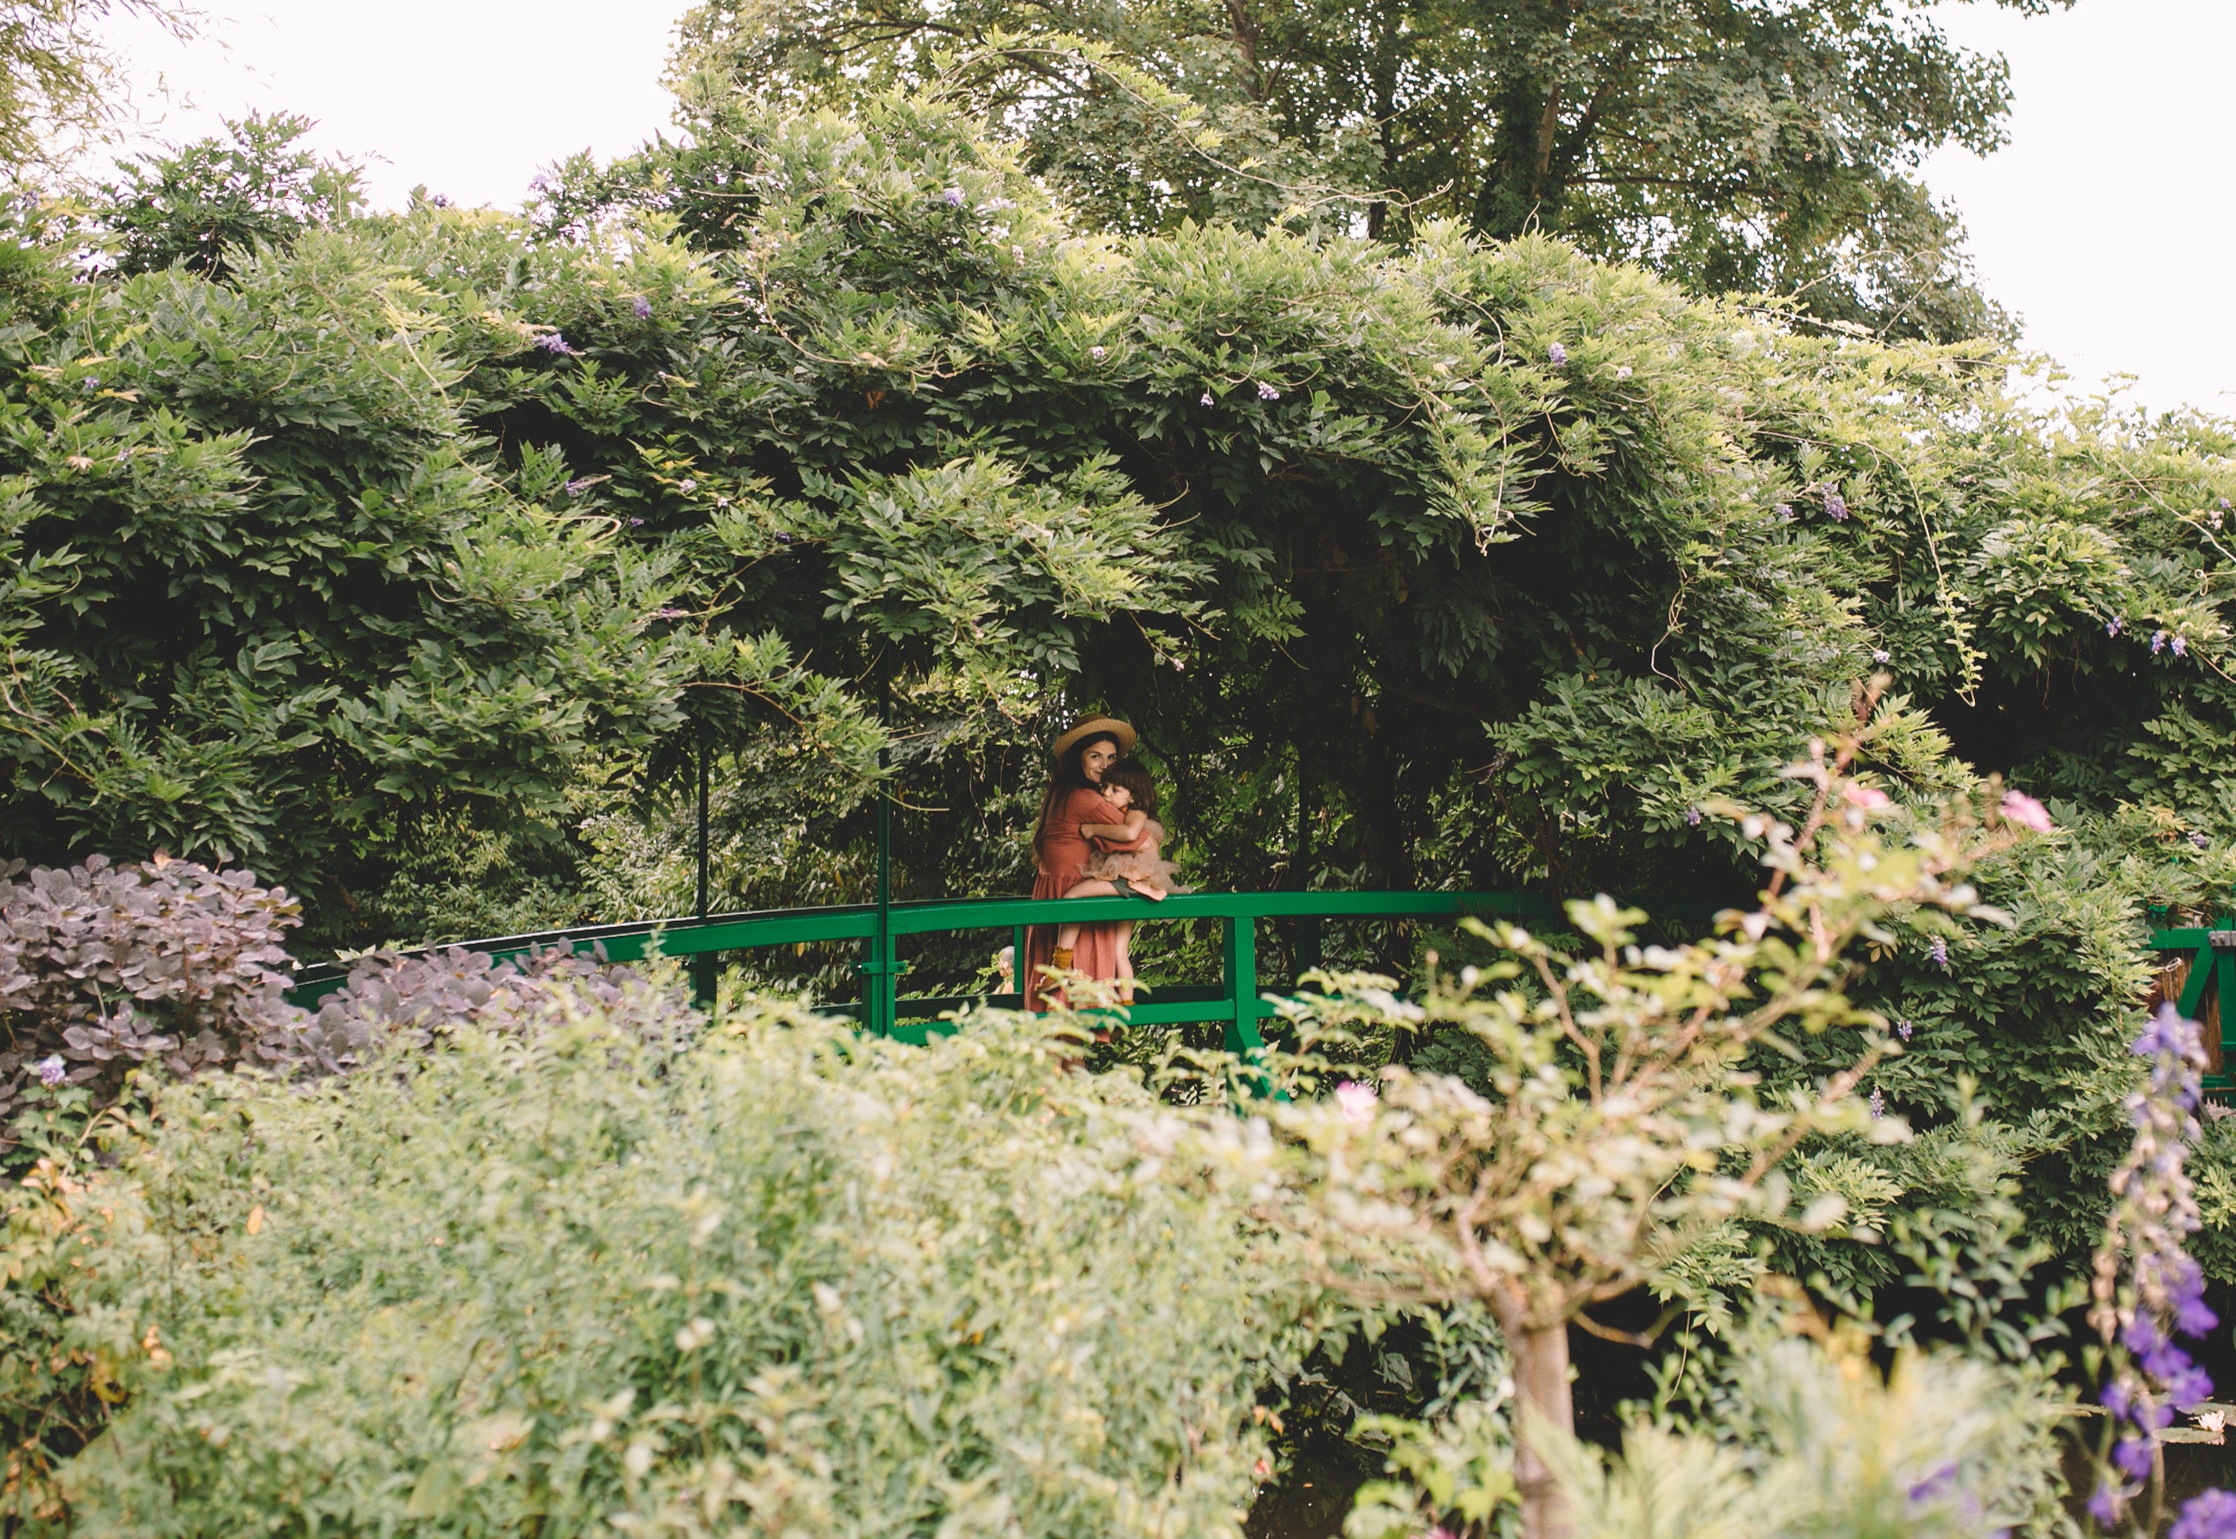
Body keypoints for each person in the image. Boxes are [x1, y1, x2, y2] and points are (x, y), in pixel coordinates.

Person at [1023, 716, 1138, 1010]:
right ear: (1079, 759)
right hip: (1074, 899)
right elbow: (1142, 840)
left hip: (1054, 897)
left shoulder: (1061, 792)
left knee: (1059, 1010)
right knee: (1073, 1007)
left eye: (1112, 758)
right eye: (1095, 756)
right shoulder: (1087, 799)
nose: (1105, 765)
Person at [1056, 759, 1184, 1002]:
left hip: (1131, 879)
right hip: (1138, 883)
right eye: (1105, 787)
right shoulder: (1124, 812)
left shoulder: (1136, 812)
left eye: (1115, 790)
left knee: (1072, 896)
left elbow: (1129, 834)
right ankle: (1127, 1001)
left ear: (1134, 796)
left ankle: (1060, 962)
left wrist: (1094, 828)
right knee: (1119, 951)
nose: (1106, 793)